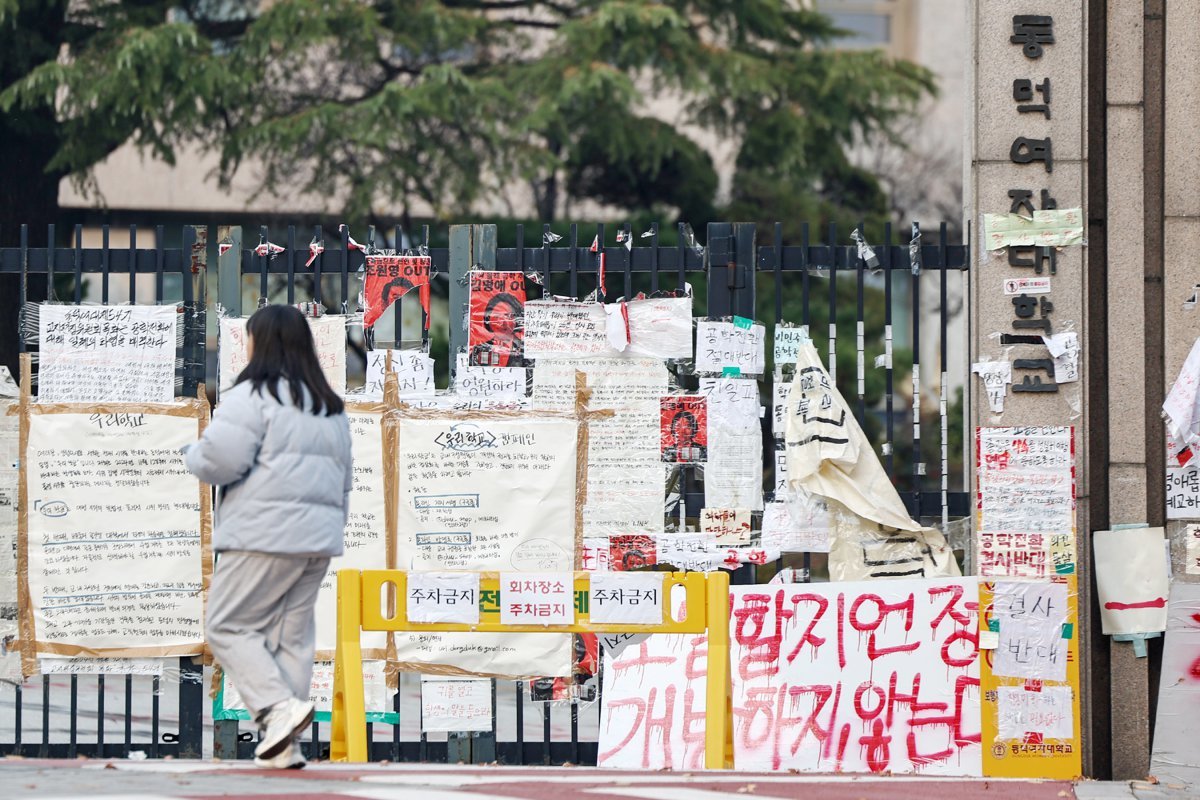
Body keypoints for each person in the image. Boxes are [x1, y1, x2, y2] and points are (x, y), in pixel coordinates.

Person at [185, 305, 352, 769]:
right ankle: (285, 745)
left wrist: (191, 453)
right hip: (316, 541)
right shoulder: (329, 406)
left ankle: (277, 708)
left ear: (258, 343)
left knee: (227, 624)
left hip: (261, 535)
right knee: (290, 640)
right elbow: (344, 483)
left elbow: (219, 462)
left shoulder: (251, 396)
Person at [470, 291, 523, 367]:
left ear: (517, 319)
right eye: (496, 316)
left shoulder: (525, 349)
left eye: (508, 316)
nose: (501, 322)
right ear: (488, 319)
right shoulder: (479, 350)